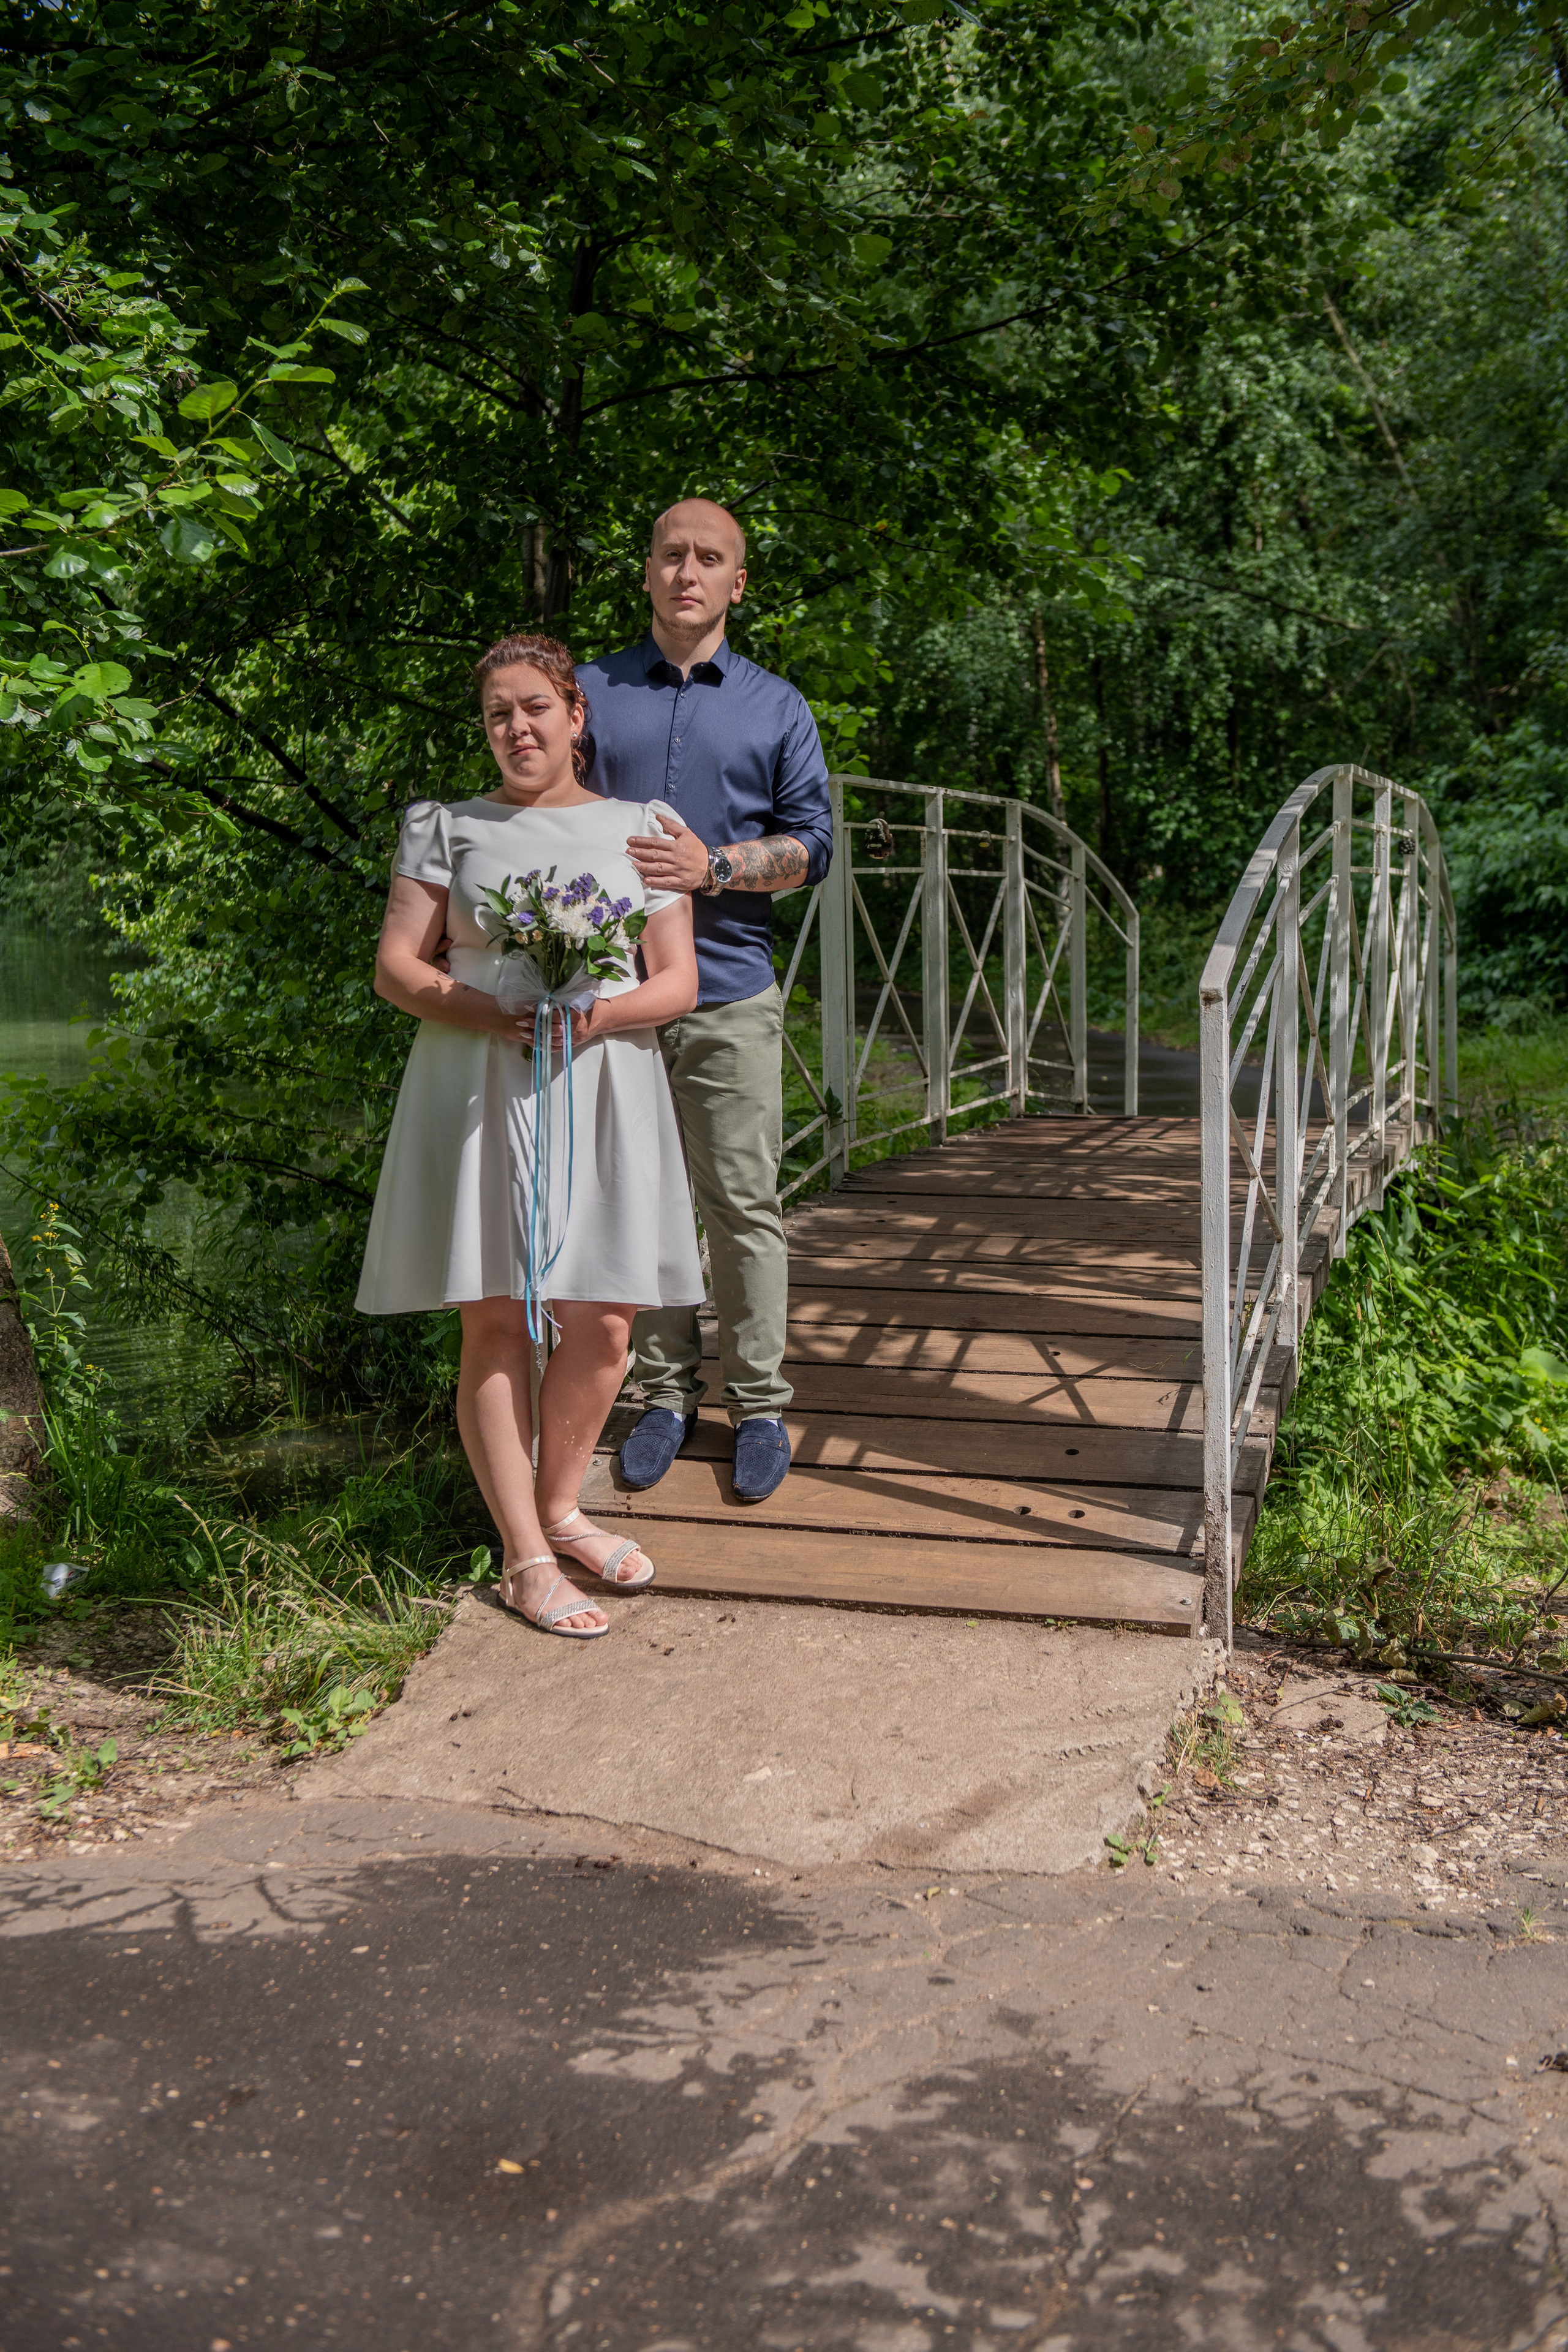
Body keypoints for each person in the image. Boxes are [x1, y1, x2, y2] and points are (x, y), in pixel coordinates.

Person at [356, 633, 704, 1638]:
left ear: (575, 716)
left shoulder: (645, 826)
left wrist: (594, 1013)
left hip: (605, 1082)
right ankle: (525, 1555)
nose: (516, 727)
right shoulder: (447, 826)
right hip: (481, 1084)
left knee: (605, 1316)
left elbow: (675, 980)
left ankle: (564, 1507)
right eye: (498, 713)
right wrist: (485, 1008)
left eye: (534, 708)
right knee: (497, 1315)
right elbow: (396, 968)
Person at [578, 497, 833, 1505]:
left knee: (741, 1204)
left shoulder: (776, 707)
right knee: (641, 1204)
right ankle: (664, 1396)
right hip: (617, 999)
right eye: (672, 554)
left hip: (729, 990)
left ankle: (761, 1405)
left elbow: (814, 846)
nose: (688, 571)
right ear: (647, 572)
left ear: (737, 583)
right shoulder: (591, 693)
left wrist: (714, 864)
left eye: (709, 558)